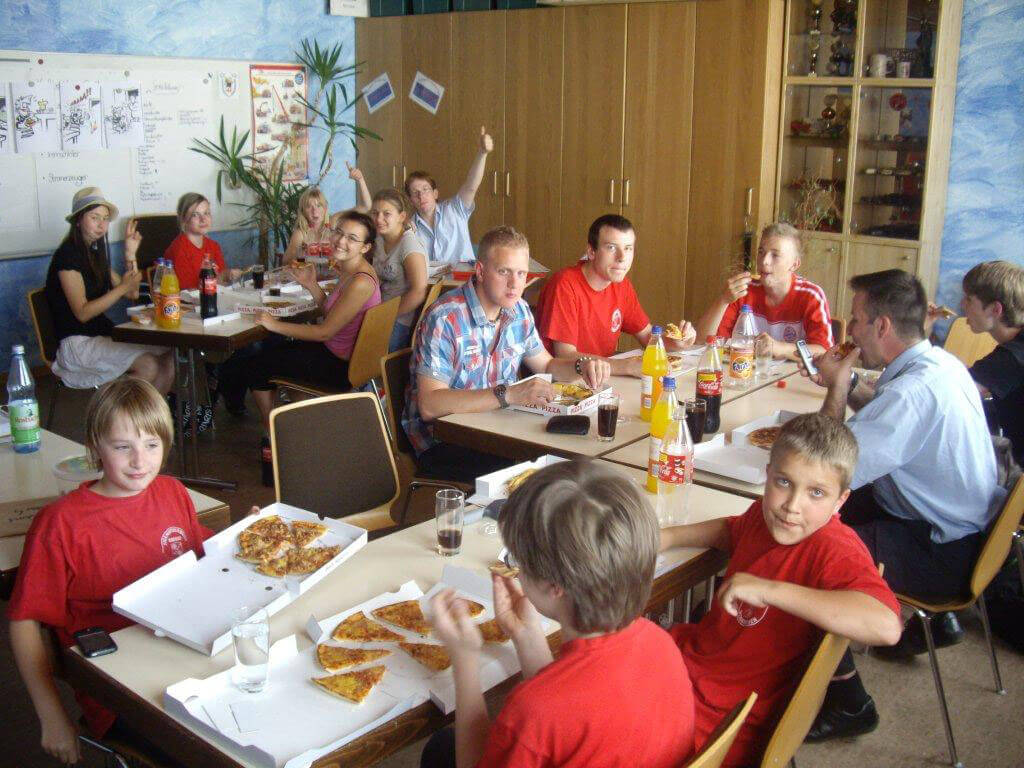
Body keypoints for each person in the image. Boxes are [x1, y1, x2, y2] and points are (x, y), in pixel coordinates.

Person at [798, 269, 1005, 741]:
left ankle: (849, 700)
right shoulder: (938, 364)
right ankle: (923, 626)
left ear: (883, 326)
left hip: (941, 550)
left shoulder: (914, 392)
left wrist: (836, 385)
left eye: (856, 321)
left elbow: (827, 467)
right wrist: (849, 386)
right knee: (827, 516)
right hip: (960, 525)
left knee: (807, 553)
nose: (849, 330)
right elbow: (885, 415)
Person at [662, 413, 901, 767]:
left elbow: (886, 626)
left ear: (840, 501)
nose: (792, 506)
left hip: (722, 714)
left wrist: (770, 590)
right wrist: (667, 537)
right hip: (695, 664)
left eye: (816, 493)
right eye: (784, 482)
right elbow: (733, 530)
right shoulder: (764, 516)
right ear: (768, 473)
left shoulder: (834, 548)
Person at [422, 459, 695, 768]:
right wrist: (528, 637)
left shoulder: (533, 710)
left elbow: (549, 715)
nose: (516, 571)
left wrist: (464, 660)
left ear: (554, 585)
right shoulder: (662, 644)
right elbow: (572, 705)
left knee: (440, 749)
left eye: (517, 560)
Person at [7, 379, 215, 764]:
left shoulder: (172, 492)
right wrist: (51, 715)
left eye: (152, 445)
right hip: (119, 684)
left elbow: (204, 554)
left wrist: (247, 534)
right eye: (123, 447)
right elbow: (24, 622)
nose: (140, 461)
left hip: (188, 653)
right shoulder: (61, 524)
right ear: (95, 448)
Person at [403, 226, 611, 484]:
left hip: (499, 429)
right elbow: (430, 406)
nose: (515, 284)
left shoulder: (519, 310)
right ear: (480, 271)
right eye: (504, 272)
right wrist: (508, 394)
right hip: (444, 441)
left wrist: (581, 365)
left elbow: (546, 364)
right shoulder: (445, 318)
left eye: (521, 273)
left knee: (573, 461)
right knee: (542, 476)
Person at [243, 211, 381, 430]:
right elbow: (331, 314)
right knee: (276, 347)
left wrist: (273, 324)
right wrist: (312, 284)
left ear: (365, 247)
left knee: (256, 364)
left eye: (352, 238)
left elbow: (324, 332)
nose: (341, 240)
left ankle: (274, 434)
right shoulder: (350, 269)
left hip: (339, 367)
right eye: (338, 232)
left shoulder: (360, 281)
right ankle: (303, 422)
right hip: (337, 354)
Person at [45, 186, 174, 394]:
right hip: (77, 345)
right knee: (149, 364)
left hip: (101, 337)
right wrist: (122, 287)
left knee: (169, 355)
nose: (102, 225)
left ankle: (151, 422)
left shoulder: (94, 254)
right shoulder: (67, 256)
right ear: (78, 220)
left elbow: (131, 293)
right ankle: (121, 418)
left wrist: (129, 254)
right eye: (94, 217)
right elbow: (83, 312)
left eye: (105, 219)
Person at [534, 214, 697, 377]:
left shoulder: (622, 285)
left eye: (628, 248)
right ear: (591, 251)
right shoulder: (565, 284)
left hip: (603, 380)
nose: (622, 258)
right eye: (612, 247)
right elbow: (565, 355)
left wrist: (676, 343)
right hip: (563, 384)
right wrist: (624, 366)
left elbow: (648, 337)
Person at [696, 222, 833, 360]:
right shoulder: (744, 291)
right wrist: (723, 300)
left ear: (794, 264)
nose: (764, 261)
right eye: (761, 252)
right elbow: (702, 341)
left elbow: (823, 351)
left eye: (775, 255)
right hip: (745, 375)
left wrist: (778, 348)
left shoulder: (811, 296)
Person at [957, 260, 1024, 464]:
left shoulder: (1010, 357)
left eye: (969, 299)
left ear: (995, 309)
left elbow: (947, 395)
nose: (962, 305)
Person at [405, 126, 493, 265]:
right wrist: (404, 231)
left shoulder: (455, 209)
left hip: (463, 280)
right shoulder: (409, 227)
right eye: (416, 193)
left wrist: (482, 153)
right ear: (410, 200)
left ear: (435, 193)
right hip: (432, 284)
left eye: (426, 189)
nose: (421, 196)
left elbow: (471, 186)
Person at [369, 187, 428, 351]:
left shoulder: (409, 245)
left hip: (400, 319)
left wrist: (386, 316)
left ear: (401, 217)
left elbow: (419, 292)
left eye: (386, 214)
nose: (379, 219)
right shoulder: (380, 239)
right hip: (377, 312)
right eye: (375, 213)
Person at [164, 192, 241, 290]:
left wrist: (228, 274)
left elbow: (221, 281)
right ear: (184, 220)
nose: (203, 219)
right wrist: (218, 281)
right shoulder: (179, 250)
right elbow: (188, 293)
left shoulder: (213, 246)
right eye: (195, 215)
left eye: (206, 213)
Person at [283, 186, 334, 266]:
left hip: (334, 277)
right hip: (309, 277)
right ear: (303, 211)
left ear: (325, 208)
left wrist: (361, 180)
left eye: (318, 205)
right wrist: (301, 258)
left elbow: (360, 214)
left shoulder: (333, 228)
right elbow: (286, 262)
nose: (314, 211)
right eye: (309, 207)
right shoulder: (301, 233)